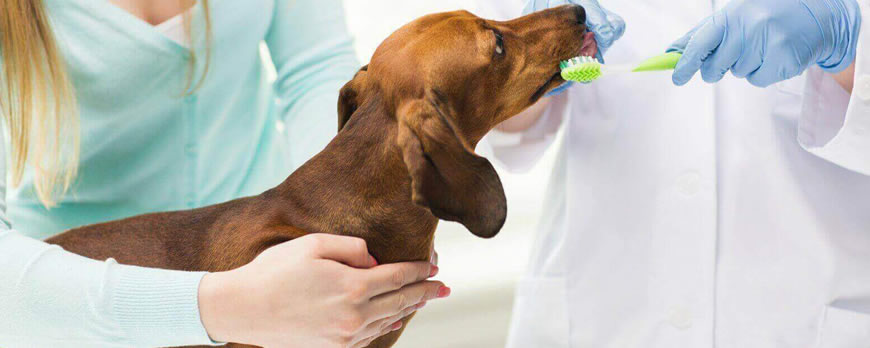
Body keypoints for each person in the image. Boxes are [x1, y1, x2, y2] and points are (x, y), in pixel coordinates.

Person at [0, 1, 446, 347]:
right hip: (72, 312)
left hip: (279, 288)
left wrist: (331, 237)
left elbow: (315, 68)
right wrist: (226, 305)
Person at [470, 0, 870, 346]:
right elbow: (495, 126)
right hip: (604, 317)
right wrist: (522, 63)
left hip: (805, 317)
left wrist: (847, 43)